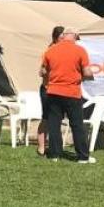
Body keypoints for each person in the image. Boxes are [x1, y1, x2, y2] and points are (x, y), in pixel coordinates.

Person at [41, 27, 95, 163]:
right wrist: (86, 77)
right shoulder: (80, 50)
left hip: (53, 92)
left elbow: (42, 71)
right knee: (77, 125)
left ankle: (54, 155)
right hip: (72, 92)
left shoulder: (50, 50)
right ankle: (83, 157)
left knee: (54, 124)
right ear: (75, 36)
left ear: (64, 36)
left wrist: (51, 80)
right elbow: (87, 73)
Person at [37, 26, 65, 156]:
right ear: (55, 38)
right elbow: (41, 72)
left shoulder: (66, 52)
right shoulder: (49, 51)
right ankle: (42, 147)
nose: (63, 40)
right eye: (61, 38)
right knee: (46, 118)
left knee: (57, 118)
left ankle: (55, 147)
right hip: (48, 89)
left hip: (60, 90)